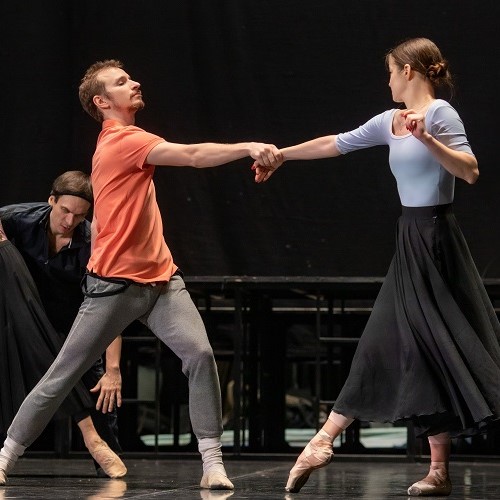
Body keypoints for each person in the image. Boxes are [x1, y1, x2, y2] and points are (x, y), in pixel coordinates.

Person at [0, 59, 282, 489]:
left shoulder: (125, 141)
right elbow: (192, 156)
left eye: (129, 78)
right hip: (114, 286)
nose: (133, 83)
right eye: (121, 82)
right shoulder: (121, 139)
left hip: (162, 282)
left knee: (200, 355)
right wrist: (248, 147)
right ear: (102, 101)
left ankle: (212, 464)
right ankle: (5, 456)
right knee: (63, 374)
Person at [254, 37, 500, 496]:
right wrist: (283, 155)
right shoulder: (390, 121)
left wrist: (426, 138)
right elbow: (336, 143)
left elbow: (469, 171)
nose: (387, 81)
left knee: (414, 342)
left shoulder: (440, 114)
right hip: (410, 238)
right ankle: (436, 471)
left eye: (390, 71)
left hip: (437, 240)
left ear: (409, 71)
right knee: (419, 349)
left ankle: (323, 440)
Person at [0, 171, 125, 477]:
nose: (70, 221)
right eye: (65, 211)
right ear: (51, 200)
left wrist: (112, 369)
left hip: (76, 329)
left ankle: (99, 443)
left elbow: (110, 307)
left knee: (101, 396)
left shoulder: (93, 243)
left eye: (79, 216)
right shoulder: (21, 219)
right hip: (25, 318)